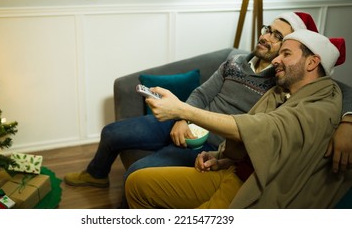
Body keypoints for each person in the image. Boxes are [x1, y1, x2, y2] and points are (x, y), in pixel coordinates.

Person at [64, 12, 352, 190]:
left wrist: (349, 121)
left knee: (138, 174)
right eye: (268, 29)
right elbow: (202, 94)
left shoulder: (283, 79)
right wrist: (181, 118)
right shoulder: (236, 62)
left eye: (278, 37)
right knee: (112, 132)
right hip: (188, 119)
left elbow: (337, 89)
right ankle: (96, 175)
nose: (266, 37)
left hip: (214, 143)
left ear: (289, 50)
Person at [125, 29, 351, 208]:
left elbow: (261, 128)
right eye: (279, 52)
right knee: (137, 183)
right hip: (231, 171)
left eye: (286, 54)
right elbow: (253, 144)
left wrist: (182, 110)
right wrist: (222, 158)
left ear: (312, 62)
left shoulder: (320, 106)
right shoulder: (279, 91)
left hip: (252, 189)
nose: (276, 60)